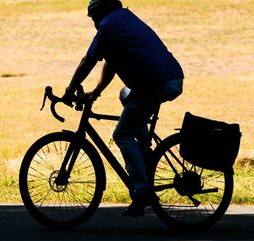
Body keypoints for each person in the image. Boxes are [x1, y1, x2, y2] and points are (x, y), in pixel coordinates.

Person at [64, 0, 184, 217]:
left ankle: (142, 191)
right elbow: (111, 61)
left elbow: (88, 60)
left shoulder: (108, 26)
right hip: (168, 77)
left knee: (122, 135)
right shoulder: (124, 19)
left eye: (92, 19)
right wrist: (97, 90)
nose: (93, 24)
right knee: (125, 95)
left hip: (154, 83)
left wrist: (69, 90)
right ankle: (145, 153)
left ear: (98, 14)